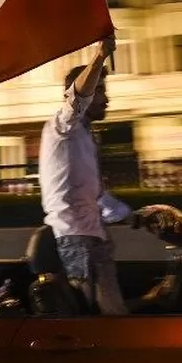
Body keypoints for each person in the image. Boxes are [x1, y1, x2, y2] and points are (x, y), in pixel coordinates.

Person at [39, 35, 167, 315]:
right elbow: (76, 100)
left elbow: (97, 196)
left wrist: (133, 218)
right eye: (100, 91)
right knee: (103, 322)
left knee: (108, 316)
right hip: (79, 240)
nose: (107, 99)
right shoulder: (64, 126)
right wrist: (99, 56)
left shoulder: (82, 135)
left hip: (90, 237)